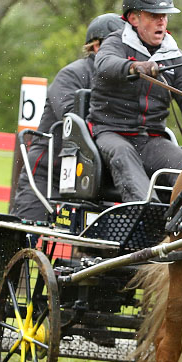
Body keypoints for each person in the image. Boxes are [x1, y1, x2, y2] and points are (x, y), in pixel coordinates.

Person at [87, 0, 182, 202]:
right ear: (134, 18)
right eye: (154, 16)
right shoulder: (115, 42)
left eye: (164, 16)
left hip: (151, 139)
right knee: (125, 158)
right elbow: (104, 64)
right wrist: (135, 67)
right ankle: (147, 215)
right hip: (111, 133)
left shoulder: (173, 54)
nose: (161, 22)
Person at [10, 13, 124, 221]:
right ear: (97, 47)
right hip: (50, 168)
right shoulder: (72, 74)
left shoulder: (119, 81)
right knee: (27, 229)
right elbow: (74, 118)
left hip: (91, 173)